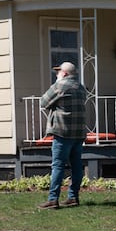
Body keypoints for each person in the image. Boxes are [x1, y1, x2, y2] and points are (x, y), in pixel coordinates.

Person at [39, 61, 88, 209]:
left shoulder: (60, 85)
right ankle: (73, 197)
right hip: (78, 133)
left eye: (58, 72)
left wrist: (56, 84)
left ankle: (53, 199)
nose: (56, 74)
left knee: (58, 166)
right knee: (77, 166)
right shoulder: (81, 87)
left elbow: (43, 102)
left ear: (64, 73)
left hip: (62, 132)